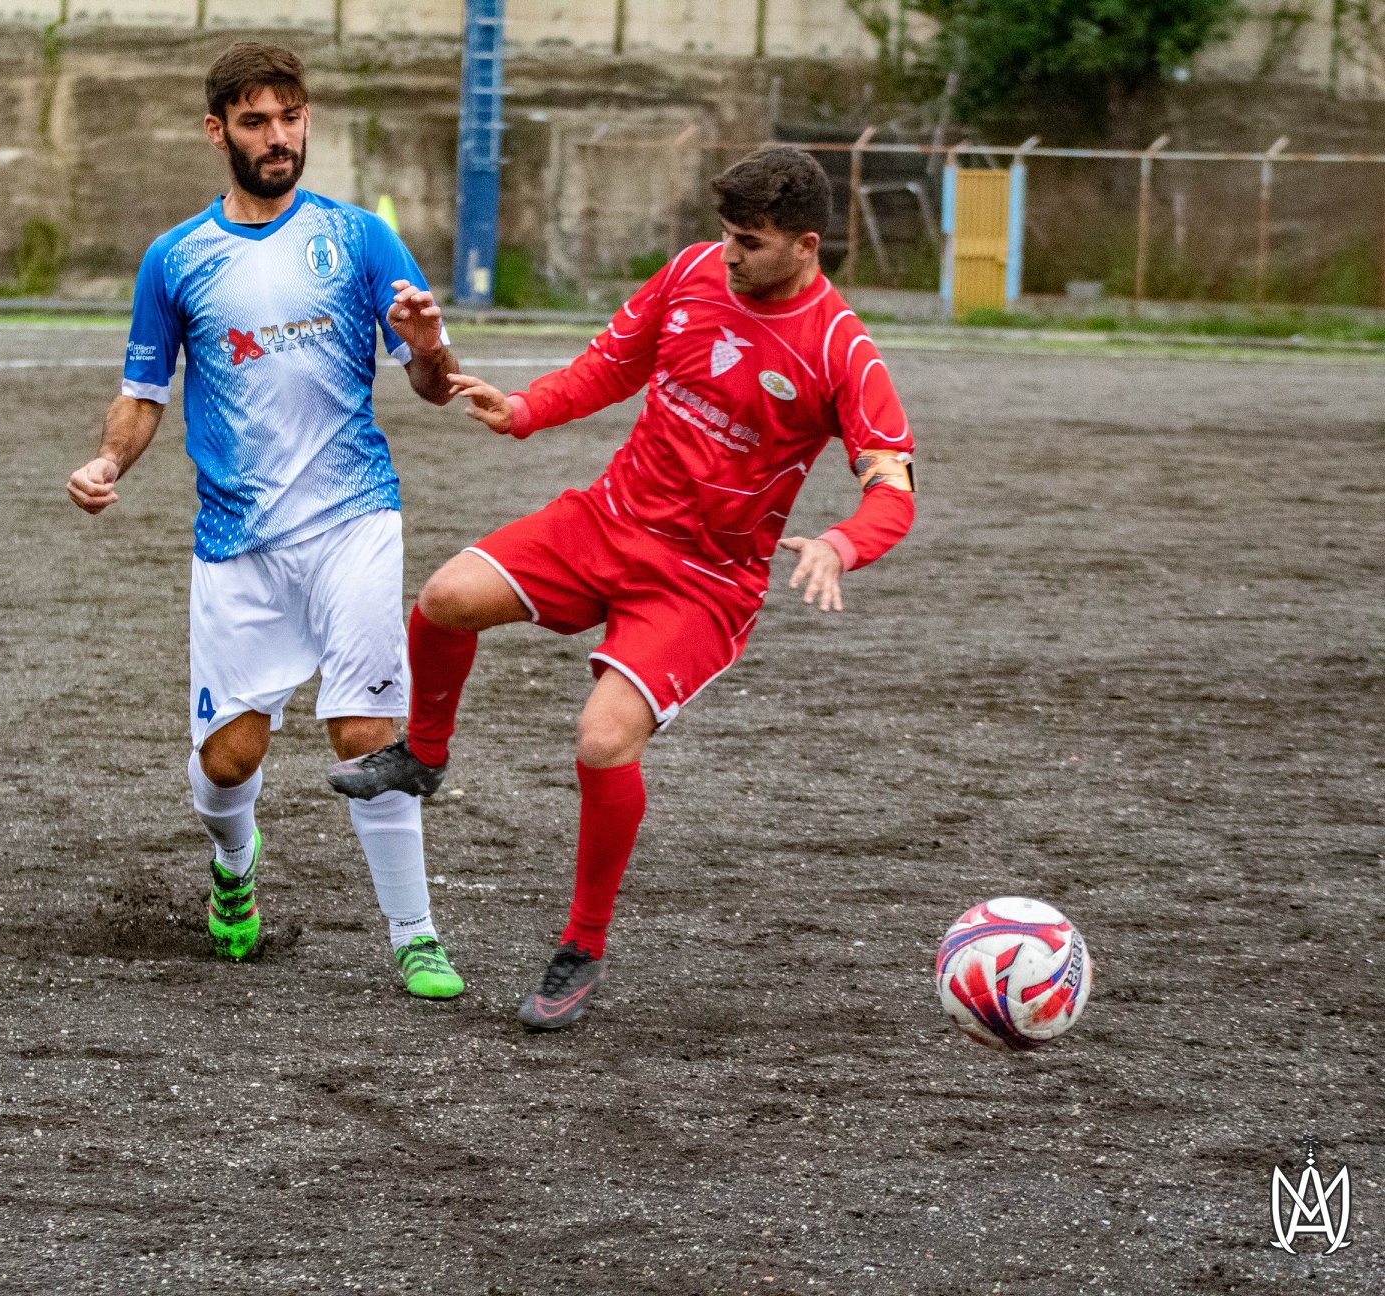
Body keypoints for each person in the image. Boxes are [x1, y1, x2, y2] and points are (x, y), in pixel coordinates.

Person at [328, 145, 917, 1029]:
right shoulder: (691, 273)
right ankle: (425, 756)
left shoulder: (842, 349)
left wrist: (841, 543)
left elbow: (893, 490)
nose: (729, 255)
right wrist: (525, 410)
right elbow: (611, 364)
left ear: (806, 245)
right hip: (607, 520)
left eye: (750, 243)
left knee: (603, 740)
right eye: (726, 235)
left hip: (703, 581)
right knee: (446, 598)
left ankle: (582, 945)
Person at [67, 43, 466, 998]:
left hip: (354, 517)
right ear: (219, 133)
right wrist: (109, 460)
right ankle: (233, 868)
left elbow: (432, 384)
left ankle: (415, 936)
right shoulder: (176, 259)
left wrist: (429, 347)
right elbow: (143, 392)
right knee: (228, 760)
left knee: (366, 731)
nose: (278, 137)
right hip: (237, 541)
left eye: (290, 117)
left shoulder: (360, 239)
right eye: (255, 122)